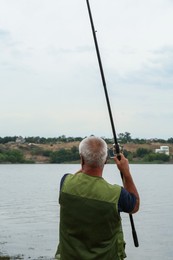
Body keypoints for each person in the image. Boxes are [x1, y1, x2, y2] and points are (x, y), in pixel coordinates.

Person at [55, 136, 140, 260]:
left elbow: (80, 174)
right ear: (105, 160)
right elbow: (135, 206)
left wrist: (86, 161)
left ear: (81, 158)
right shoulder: (118, 195)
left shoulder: (65, 182)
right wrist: (125, 172)